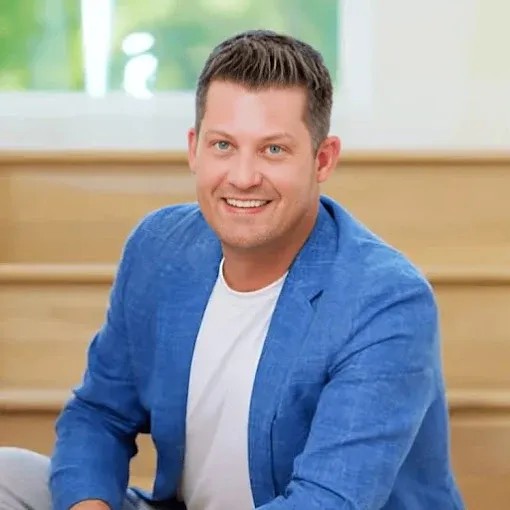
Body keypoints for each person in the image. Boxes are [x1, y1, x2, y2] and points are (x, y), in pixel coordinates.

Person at [0, 30, 464, 510]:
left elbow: (327, 501)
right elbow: (99, 416)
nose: (243, 177)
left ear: (322, 159)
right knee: (6, 474)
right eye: (223, 145)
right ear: (194, 148)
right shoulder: (159, 247)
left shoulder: (386, 299)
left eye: (273, 150)